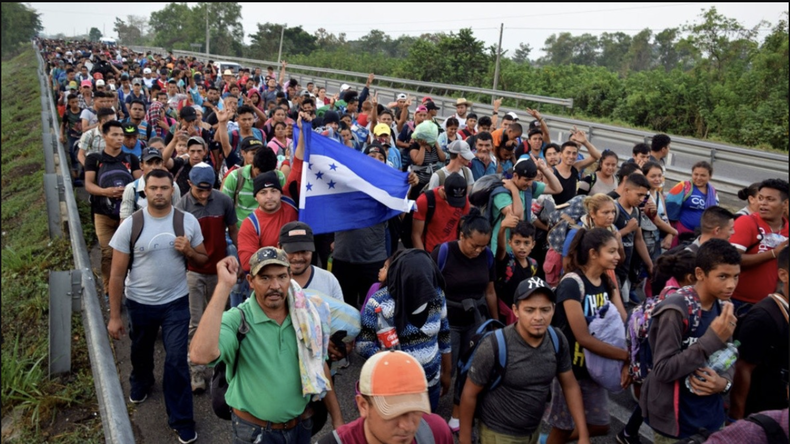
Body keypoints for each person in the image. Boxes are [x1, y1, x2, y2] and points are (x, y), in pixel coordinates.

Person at [189, 249, 343, 444]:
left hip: (301, 427)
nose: (275, 286)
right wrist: (223, 287)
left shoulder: (306, 315)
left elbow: (319, 365)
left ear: (290, 277)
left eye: (281, 277)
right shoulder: (238, 320)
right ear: (250, 281)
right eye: (265, 278)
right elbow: (199, 355)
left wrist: (338, 421)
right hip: (254, 434)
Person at [106, 169, 208, 444]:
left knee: (176, 362)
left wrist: (188, 251)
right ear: (145, 191)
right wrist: (115, 316)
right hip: (140, 304)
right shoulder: (131, 224)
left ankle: (182, 419)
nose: (159, 193)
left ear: (172, 190)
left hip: (176, 303)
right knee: (140, 352)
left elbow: (203, 259)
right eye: (154, 188)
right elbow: (116, 274)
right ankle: (141, 381)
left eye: (165, 188)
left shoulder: (187, 221)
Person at [459, 278, 590, 444]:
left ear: (553, 309)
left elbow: (570, 385)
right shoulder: (495, 346)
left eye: (545, 310)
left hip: (533, 432)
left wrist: (583, 434)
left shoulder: (557, 339)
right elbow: (469, 394)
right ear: (516, 310)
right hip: (498, 435)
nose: (538, 317)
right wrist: (464, 440)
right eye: (530, 310)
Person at [639, 239, 741, 443]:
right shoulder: (676, 310)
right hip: (676, 422)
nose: (731, 284)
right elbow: (663, 370)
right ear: (700, 274)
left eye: (736, 276)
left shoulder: (723, 306)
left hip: (711, 417)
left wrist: (724, 383)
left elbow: (729, 354)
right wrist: (710, 341)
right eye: (723, 276)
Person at [548, 228, 628, 443]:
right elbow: (583, 338)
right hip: (570, 369)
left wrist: (615, 288)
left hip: (595, 367)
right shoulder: (572, 284)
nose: (618, 257)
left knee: (600, 425)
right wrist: (625, 357)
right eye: (612, 251)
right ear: (594, 253)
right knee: (563, 427)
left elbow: (622, 318)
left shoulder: (605, 282)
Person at [356, 249, 452, 412]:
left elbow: (444, 334)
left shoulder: (437, 296)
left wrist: (447, 372)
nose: (424, 285)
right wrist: (385, 357)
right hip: (394, 390)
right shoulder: (379, 303)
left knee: (425, 433)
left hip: (430, 385)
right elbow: (362, 344)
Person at [431, 209, 498, 431]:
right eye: (474, 245)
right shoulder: (443, 253)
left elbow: (490, 291)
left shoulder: (487, 256)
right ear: (462, 235)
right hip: (447, 322)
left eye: (482, 246)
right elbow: (430, 289)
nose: (478, 251)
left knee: (471, 367)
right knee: (445, 367)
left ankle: (458, 410)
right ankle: (431, 404)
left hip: (475, 321)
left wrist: (495, 323)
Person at [175, 162, 238, 393]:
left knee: (221, 320)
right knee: (195, 321)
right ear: (189, 184)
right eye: (199, 189)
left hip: (220, 271)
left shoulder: (223, 201)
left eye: (208, 189)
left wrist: (238, 256)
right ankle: (197, 371)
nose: (204, 194)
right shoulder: (181, 206)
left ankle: (222, 369)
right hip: (194, 272)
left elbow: (233, 229)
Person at [317, 350, 454, 444]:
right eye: (393, 413)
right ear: (363, 405)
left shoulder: (437, 432)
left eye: (415, 410)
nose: (407, 426)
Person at [84, 120, 143, 298]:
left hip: (127, 214)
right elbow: (88, 184)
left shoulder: (130, 159)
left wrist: (127, 192)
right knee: (107, 252)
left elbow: (140, 183)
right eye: (115, 135)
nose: (119, 138)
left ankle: (129, 288)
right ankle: (110, 290)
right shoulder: (94, 159)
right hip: (102, 214)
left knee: (129, 253)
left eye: (121, 135)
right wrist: (106, 192)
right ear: (104, 136)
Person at [731, 248, 788, 420]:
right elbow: (742, 369)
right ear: (783, 275)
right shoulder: (763, 317)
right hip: (766, 415)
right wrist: (737, 420)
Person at [730, 178, 788, 310]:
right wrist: (773, 253)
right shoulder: (746, 222)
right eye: (761, 198)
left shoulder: (787, 229)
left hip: (770, 304)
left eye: (770, 199)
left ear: (785, 204)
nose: (763, 203)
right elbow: (732, 259)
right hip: (738, 302)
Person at [490, 158, 562, 255]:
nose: (529, 184)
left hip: (521, 248)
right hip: (503, 249)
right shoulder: (502, 192)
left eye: (531, 180)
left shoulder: (528, 188)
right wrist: (514, 190)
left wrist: (543, 169)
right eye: (526, 180)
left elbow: (557, 189)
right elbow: (517, 217)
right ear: (515, 176)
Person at [277, 221, 343, 302]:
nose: (298, 257)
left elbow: (340, 313)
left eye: (304, 251)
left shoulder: (329, 280)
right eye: (292, 251)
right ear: (279, 247)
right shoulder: (270, 282)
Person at [412, 173, 471, 253]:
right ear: (443, 190)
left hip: (452, 251)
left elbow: (464, 226)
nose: (455, 204)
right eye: (451, 200)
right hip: (430, 251)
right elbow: (416, 235)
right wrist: (424, 258)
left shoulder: (463, 201)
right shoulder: (425, 201)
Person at [119, 147, 181, 220]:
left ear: (163, 164)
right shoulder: (132, 188)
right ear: (141, 165)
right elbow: (124, 220)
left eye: (157, 163)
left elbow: (178, 215)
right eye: (149, 163)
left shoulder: (173, 186)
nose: (154, 167)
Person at [666, 161, 719, 243]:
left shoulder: (713, 192)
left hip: (701, 235)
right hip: (680, 232)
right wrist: (670, 232)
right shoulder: (683, 186)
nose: (698, 178)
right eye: (696, 174)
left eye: (703, 175)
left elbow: (715, 213)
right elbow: (669, 209)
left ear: (710, 176)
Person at [552, 131, 602, 206]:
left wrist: (585, 142)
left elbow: (597, 157)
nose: (571, 156)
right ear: (560, 154)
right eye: (568, 153)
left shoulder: (575, 167)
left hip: (571, 211)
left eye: (574, 153)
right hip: (555, 211)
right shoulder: (552, 171)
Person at [641, 161, 678, 259]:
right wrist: (674, 232)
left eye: (659, 176)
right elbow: (656, 220)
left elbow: (664, 217)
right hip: (645, 241)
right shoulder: (644, 196)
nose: (657, 179)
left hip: (656, 240)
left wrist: (669, 234)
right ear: (644, 177)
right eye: (653, 176)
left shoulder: (659, 194)